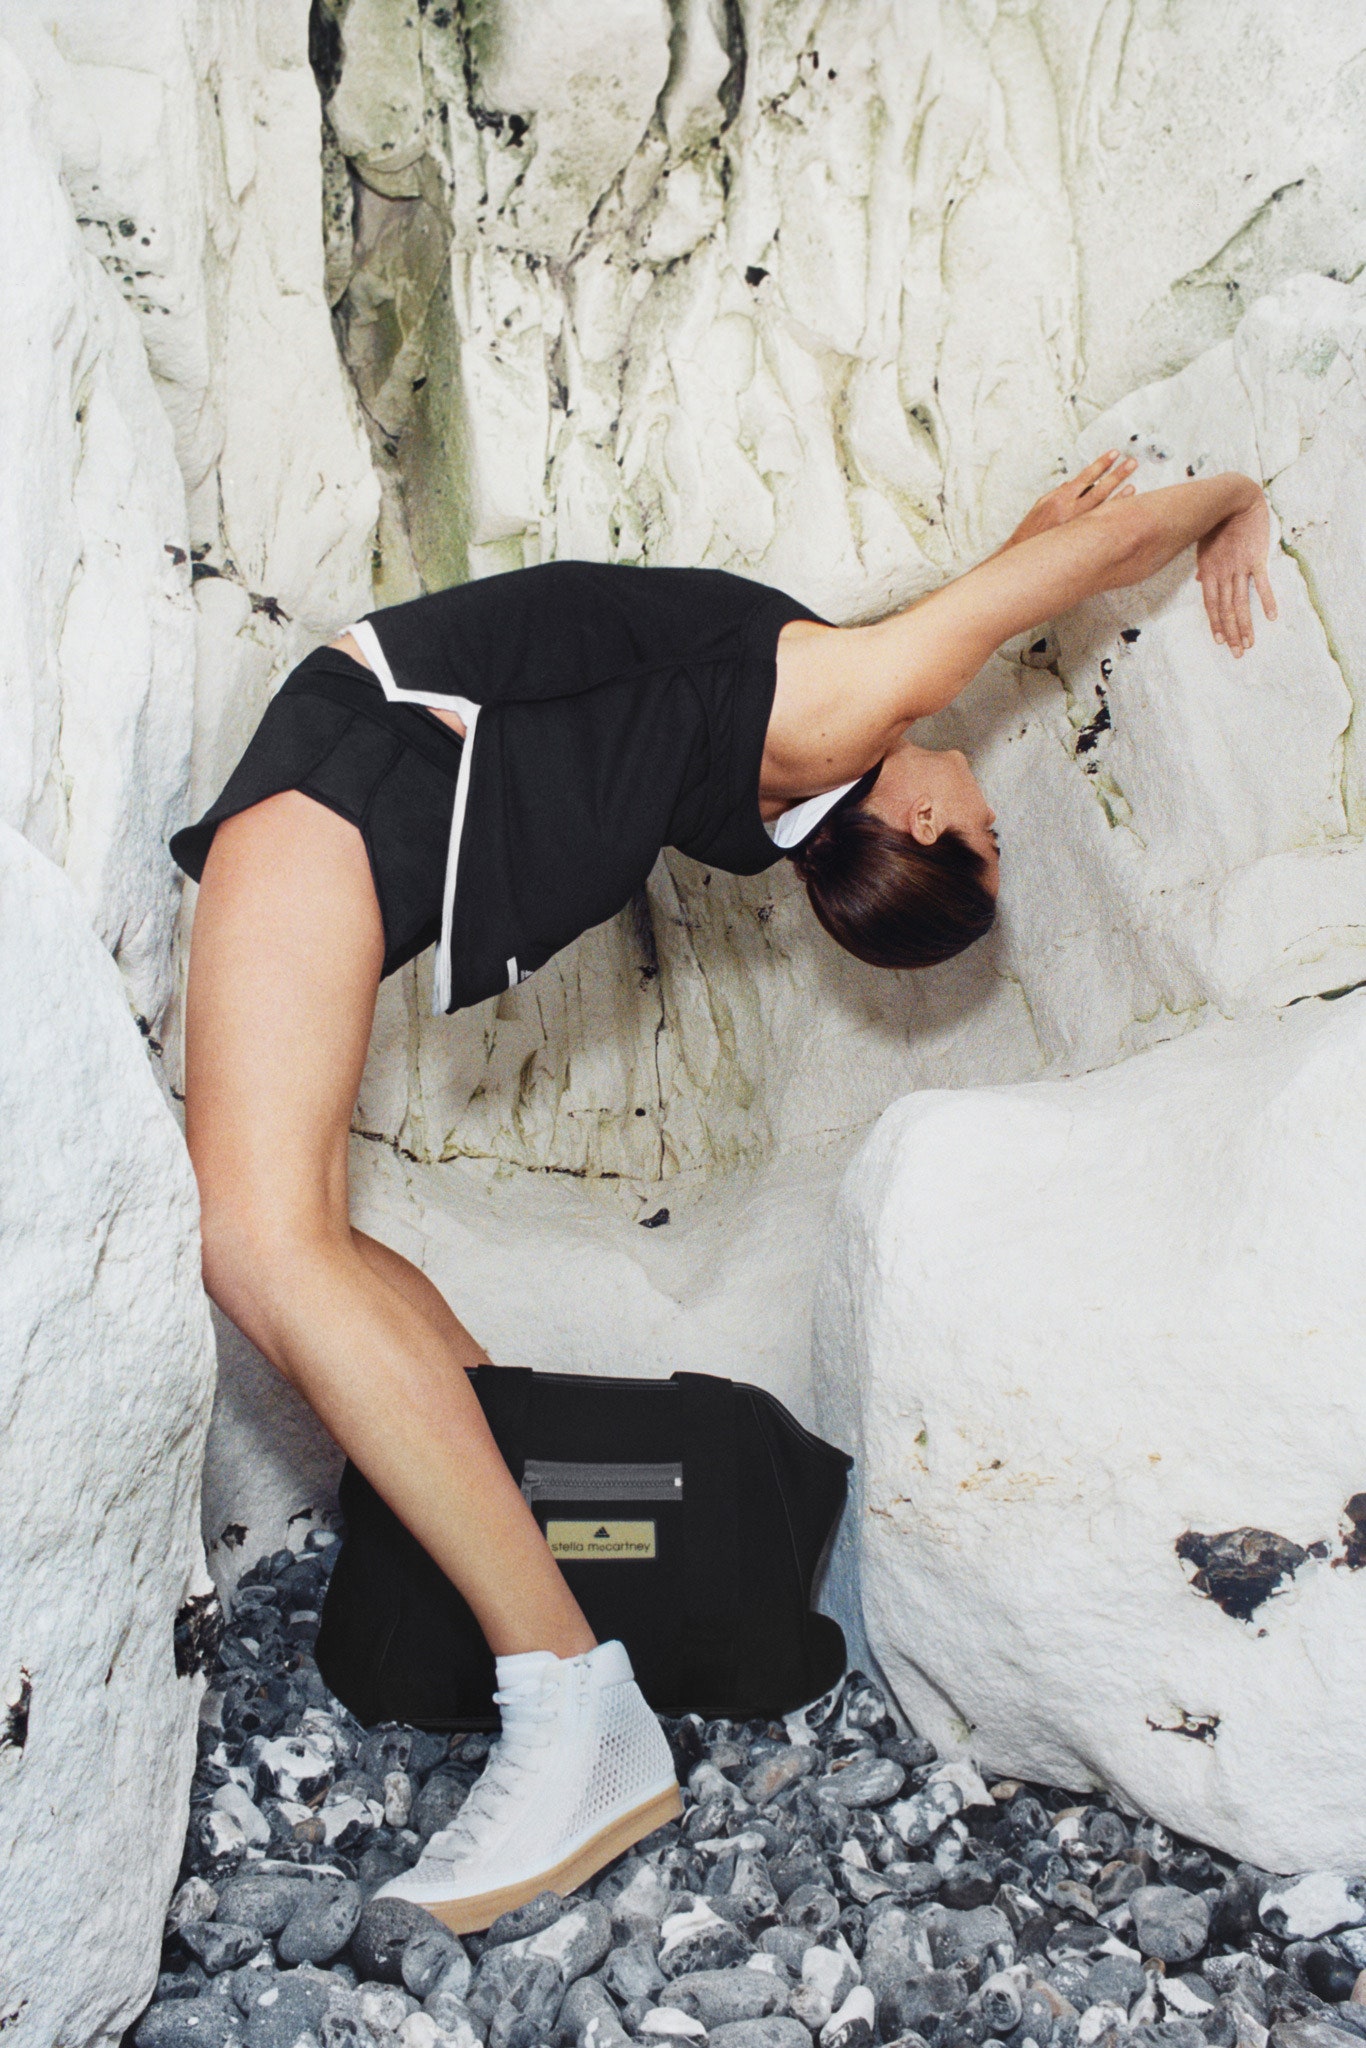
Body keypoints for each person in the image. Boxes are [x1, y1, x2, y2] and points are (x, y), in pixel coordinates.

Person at [173, 452, 1275, 1931]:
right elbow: (989, 601)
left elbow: (1067, 571)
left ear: (929, 828)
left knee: (260, 1235)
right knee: (297, 1234)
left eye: (989, 836)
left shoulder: (841, 711)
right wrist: (1018, 561)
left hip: (371, 755)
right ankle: (506, 1543)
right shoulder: (808, 746)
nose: (984, 801)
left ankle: (565, 1695)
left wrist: (1229, 496)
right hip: (387, 770)